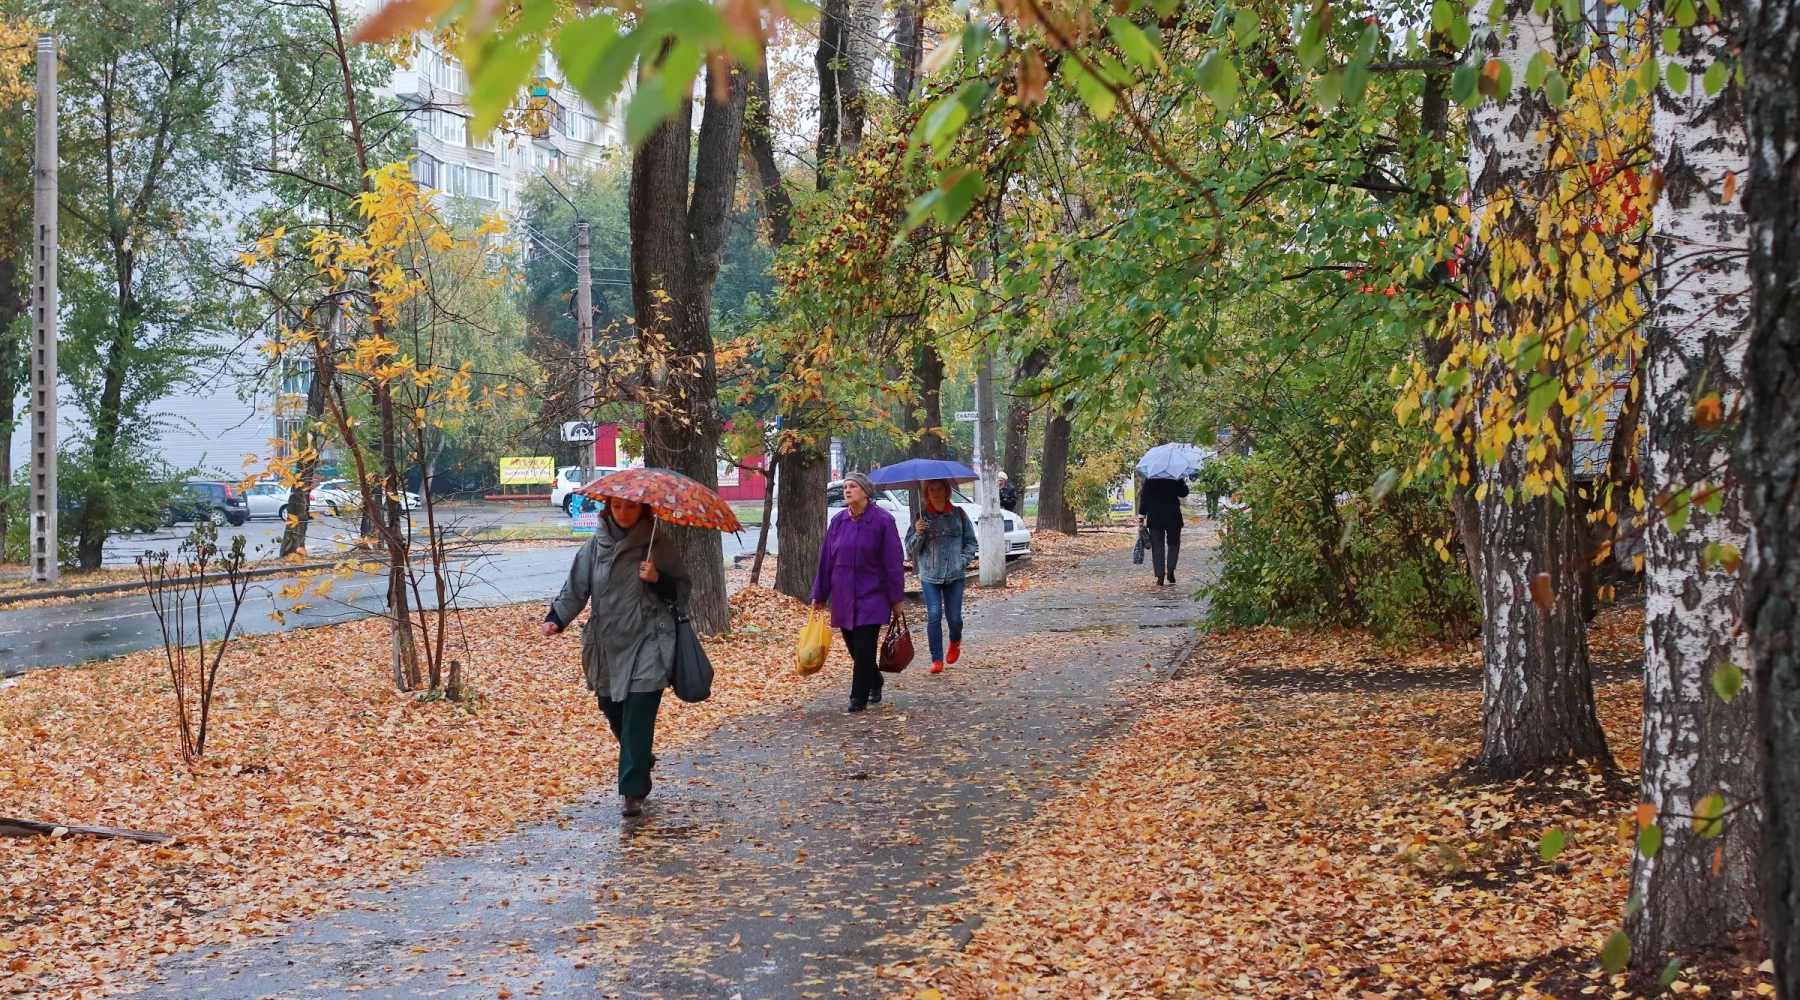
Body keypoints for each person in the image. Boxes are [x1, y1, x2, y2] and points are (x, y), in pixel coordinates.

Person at [541, 497, 686, 816]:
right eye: (617, 507)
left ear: (643, 509)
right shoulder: (595, 546)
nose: (623, 513)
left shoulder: (657, 543)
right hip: (607, 641)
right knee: (610, 705)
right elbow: (576, 588)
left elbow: (685, 589)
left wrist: (658, 579)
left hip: (649, 640)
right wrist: (557, 618)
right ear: (608, 508)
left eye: (630, 507)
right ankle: (641, 758)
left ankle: (632, 791)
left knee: (639, 710)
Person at [811, 472, 906, 712]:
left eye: (852, 486)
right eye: (845, 487)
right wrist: (820, 594)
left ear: (865, 492)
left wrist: (896, 599)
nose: (847, 490)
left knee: (865, 646)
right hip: (844, 595)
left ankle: (857, 697)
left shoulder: (883, 521)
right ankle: (875, 679)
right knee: (854, 648)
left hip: (873, 594)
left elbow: (893, 563)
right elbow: (826, 560)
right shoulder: (839, 521)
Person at [906, 478, 978, 674]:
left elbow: (971, 542)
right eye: (931, 489)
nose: (935, 492)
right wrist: (919, 533)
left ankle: (955, 639)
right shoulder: (920, 517)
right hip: (930, 575)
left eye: (939, 488)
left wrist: (962, 561)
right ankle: (936, 659)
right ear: (926, 493)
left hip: (955, 575)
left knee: (954, 618)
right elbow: (910, 548)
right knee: (934, 614)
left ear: (946, 491)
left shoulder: (959, 515)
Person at [1137, 475, 1190, 586]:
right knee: (1174, 544)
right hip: (1173, 517)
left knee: (1157, 546)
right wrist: (1182, 482)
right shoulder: (1174, 477)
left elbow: (1144, 496)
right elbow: (1184, 492)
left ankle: (1160, 576)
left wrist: (1142, 515)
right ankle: (1171, 569)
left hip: (1155, 517)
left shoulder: (1150, 478)